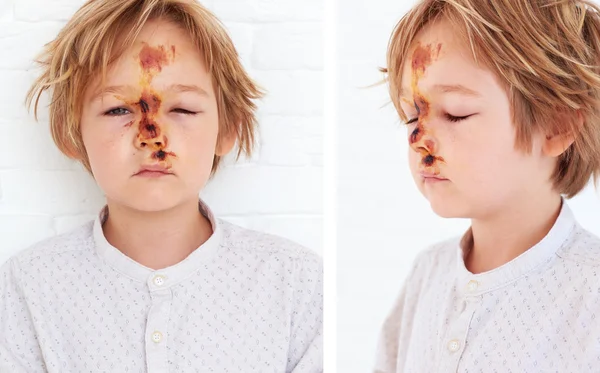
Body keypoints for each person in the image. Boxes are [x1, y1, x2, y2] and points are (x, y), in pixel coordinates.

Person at [0, 0, 323, 372]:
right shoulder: (28, 287)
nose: (151, 137)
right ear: (72, 133)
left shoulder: (297, 284)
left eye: (183, 110)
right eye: (118, 110)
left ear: (228, 129)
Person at [375, 0, 600, 371]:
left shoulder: (589, 293)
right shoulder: (428, 272)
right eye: (412, 115)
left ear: (557, 127)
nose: (419, 141)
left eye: (456, 113)